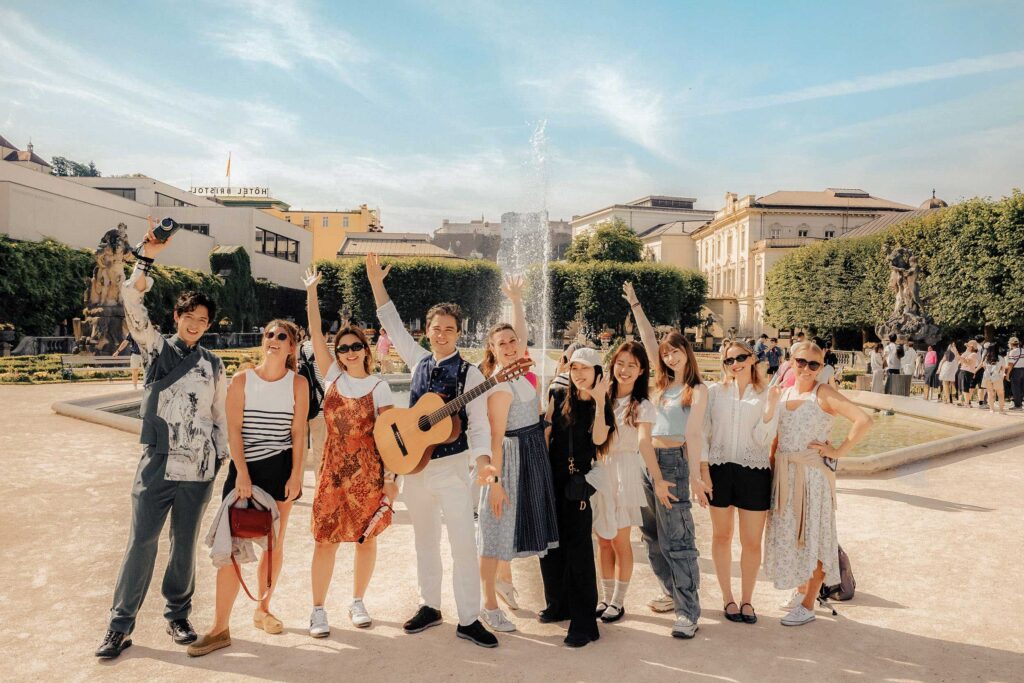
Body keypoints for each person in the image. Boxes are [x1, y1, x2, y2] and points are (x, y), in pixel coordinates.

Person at [95, 223, 228, 660]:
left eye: (203, 321)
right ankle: (119, 626)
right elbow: (132, 300)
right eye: (189, 318)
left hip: (199, 469)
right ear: (177, 318)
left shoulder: (213, 364)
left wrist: (221, 456)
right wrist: (146, 258)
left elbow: (219, 414)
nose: (196, 325)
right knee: (141, 543)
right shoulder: (156, 349)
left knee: (184, 546)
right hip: (159, 464)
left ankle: (178, 614)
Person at [365, 253, 497, 648]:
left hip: (453, 469)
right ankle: (430, 605)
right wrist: (376, 282)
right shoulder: (418, 359)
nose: (441, 334)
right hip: (415, 468)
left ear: (459, 333)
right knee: (424, 540)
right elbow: (389, 321)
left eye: (449, 329)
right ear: (428, 329)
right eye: (436, 328)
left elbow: (479, 426)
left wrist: (484, 463)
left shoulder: (471, 373)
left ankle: (470, 617)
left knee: (461, 543)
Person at [188, 320, 308, 656]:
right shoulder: (242, 380)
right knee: (231, 549)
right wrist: (241, 473)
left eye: (281, 336)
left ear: (291, 347)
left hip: (281, 469)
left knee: (274, 544)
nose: (273, 339)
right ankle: (219, 627)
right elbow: (234, 431)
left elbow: (299, 433)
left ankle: (263, 609)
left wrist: (297, 475)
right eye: (268, 334)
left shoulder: (298, 383)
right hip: (246, 470)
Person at [302, 268, 397, 636]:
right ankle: (317, 609)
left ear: (365, 350)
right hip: (333, 470)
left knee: (365, 538)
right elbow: (314, 333)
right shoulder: (333, 378)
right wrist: (312, 292)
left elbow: (390, 439)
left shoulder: (380, 387)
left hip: (367, 473)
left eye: (356, 346)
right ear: (338, 355)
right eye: (343, 348)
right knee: (324, 540)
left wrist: (392, 482)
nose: (349, 352)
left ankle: (358, 600)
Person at [764, 342, 873, 626]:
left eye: (815, 364)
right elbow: (775, 441)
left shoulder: (822, 393)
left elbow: (863, 420)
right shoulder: (783, 393)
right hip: (785, 476)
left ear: (822, 367)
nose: (807, 369)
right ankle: (801, 592)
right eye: (801, 362)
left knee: (814, 537)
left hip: (812, 478)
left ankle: (809, 603)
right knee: (792, 536)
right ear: (791, 361)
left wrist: (837, 452)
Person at [475, 275, 559, 633]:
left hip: (530, 453)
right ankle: (488, 606)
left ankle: (500, 587)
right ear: (492, 349)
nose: (510, 345)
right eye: (502, 342)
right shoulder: (500, 382)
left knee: (505, 531)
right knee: (494, 532)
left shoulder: (520, 370)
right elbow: (495, 436)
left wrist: (517, 300)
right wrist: (494, 482)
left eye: (513, 341)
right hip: (508, 458)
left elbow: (522, 335)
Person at [626, 283, 709, 639]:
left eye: (676, 351)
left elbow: (693, 436)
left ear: (687, 354)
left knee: (678, 541)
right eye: (666, 353)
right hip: (645, 461)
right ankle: (672, 593)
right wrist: (635, 303)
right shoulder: (656, 386)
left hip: (673, 463)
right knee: (651, 537)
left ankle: (688, 611)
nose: (670, 357)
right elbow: (646, 337)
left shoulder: (696, 391)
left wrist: (694, 477)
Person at [590, 338, 676, 625]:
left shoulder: (642, 406)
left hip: (624, 470)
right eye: (621, 363)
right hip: (600, 469)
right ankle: (604, 596)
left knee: (620, 540)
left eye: (632, 366)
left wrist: (659, 478)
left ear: (641, 371)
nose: (624, 370)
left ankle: (618, 600)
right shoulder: (601, 395)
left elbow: (644, 443)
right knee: (602, 539)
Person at [702, 340, 781, 626]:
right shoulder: (714, 393)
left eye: (739, 357)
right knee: (721, 537)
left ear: (752, 359)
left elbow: (763, 439)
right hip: (719, 470)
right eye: (727, 360)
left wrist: (771, 410)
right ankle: (728, 598)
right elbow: (704, 434)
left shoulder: (767, 394)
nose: (734, 363)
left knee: (751, 542)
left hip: (754, 473)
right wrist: (703, 474)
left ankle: (748, 599)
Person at [540, 346, 614, 647]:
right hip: (553, 477)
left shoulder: (601, 404)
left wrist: (598, 402)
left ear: (598, 373)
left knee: (579, 549)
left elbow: (598, 441)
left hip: (578, 482)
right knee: (551, 546)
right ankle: (559, 604)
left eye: (585, 368)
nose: (579, 373)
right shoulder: (558, 396)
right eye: (574, 368)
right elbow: (547, 432)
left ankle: (583, 622)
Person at [953, 341, 981, 407]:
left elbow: (966, 362)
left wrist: (957, 353)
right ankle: (962, 401)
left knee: (965, 387)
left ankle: (967, 403)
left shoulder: (973, 354)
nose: (967, 347)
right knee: (961, 387)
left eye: (968, 346)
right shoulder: (968, 353)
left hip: (967, 371)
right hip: (963, 370)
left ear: (972, 347)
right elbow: (960, 360)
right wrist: (956, 352)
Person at [981, 346, 1007, 414]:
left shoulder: (986, 358)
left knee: (990, 393)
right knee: (1000, 394)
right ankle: (1001, 410)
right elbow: (1003, 368)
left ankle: (991, 409)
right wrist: (1001, 376)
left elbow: (983, 366)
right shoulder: (1000, 358)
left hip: (987, 377)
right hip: (997, 377)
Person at [1007, 337, 1024, 411]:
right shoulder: (1023, 350)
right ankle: (1020, 403)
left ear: (1011, 344)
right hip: (1023, 370)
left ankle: (1018, 406)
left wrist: (1007, 374)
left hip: (1015, 371)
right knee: (1021, 388)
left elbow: (1010, 364)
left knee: (1015, 388)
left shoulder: (1012, 352)